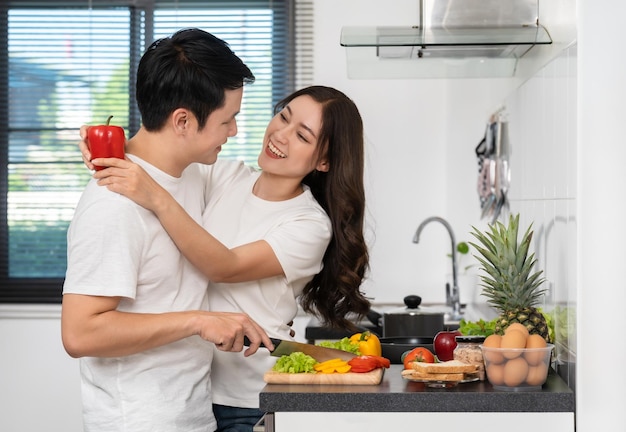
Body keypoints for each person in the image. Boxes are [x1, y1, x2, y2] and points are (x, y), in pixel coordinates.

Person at [80, 85, 372, 431]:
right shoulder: (223, 176)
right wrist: (109, 145)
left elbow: (224, 266)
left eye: (302, 136)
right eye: (283, 117)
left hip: (247, 400)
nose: (280, 134)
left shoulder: (308, 224)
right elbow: (163, 160)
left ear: (324, 161)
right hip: (190, 390)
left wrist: (156, 198)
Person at [62, 28, 275, 432]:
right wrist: (198, 321)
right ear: (182, 121)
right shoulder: (113, 203)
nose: (233, 132)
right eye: (227, 120)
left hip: (190, 415)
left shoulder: (190, 174)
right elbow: (80, 332)